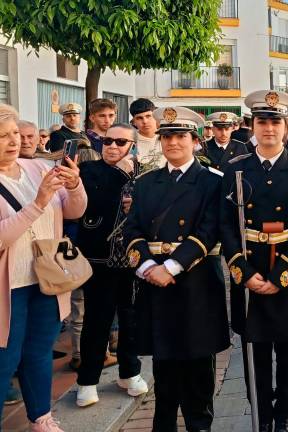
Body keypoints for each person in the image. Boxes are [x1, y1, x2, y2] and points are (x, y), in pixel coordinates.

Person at [124, 106, 230, 432]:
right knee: (165, 366)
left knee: (199, 366)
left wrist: (171, 266)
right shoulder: (145, 183)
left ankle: (200, 426)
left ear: (195, 141)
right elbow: (133, 230)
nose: (173, 142)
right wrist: (145, 267)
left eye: (180, 136)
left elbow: (209, 229)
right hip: (155, 283)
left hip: (196, 282)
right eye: (167, 136)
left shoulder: (213, 181)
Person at [220, 90, 288, 432]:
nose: (268, 128)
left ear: (286, 125)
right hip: (250, 269)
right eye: (262, 121)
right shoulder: (235, 169)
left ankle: (286, 412)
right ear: (252, 124)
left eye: (275, 121)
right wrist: (244, 273)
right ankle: (261, 413)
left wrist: (282, 274)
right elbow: (226, 226)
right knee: (256, 350)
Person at [0, 103, 87, 431]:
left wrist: (75, 185)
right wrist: (37, 204)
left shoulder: (36, 167)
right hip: (7, 287)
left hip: (46, 276)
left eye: (15, 134)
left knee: (38, 352)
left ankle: (40, 417)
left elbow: (74, 212)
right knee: (4, 360)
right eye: (3, 136)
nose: (13, 141)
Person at [74, 124, 148, 407]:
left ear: (133, 145)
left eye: (120, 142)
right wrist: (121, 174)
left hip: (132, 259)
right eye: (107, 141)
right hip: (99, 259)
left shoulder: (143, 173)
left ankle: (129, 373)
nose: (112, 146)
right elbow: (92, 203)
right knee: (97, 320)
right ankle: (87, 380)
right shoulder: (90, 171)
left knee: (131, 319)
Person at [129, 98, 165, 171]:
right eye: (139, 118)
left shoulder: (167, 137)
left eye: (148, 116)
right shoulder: (129, 141)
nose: (145, 121)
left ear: (155, 116)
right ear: (134, 121)